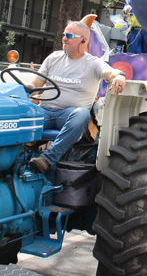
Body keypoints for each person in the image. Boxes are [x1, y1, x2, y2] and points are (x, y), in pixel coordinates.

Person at [28, 21, 126, 173]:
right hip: (45, 111)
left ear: (83, 40)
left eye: (69, 35)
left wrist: (119, 75)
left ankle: (46, 159)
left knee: (81, 114)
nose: (64, 38)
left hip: (68, 115)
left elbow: (109, 73)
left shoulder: (93, 63)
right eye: (63, 35)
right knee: (18, 114)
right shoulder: (53, 58)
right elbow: (35, 84)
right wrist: (23, 94)